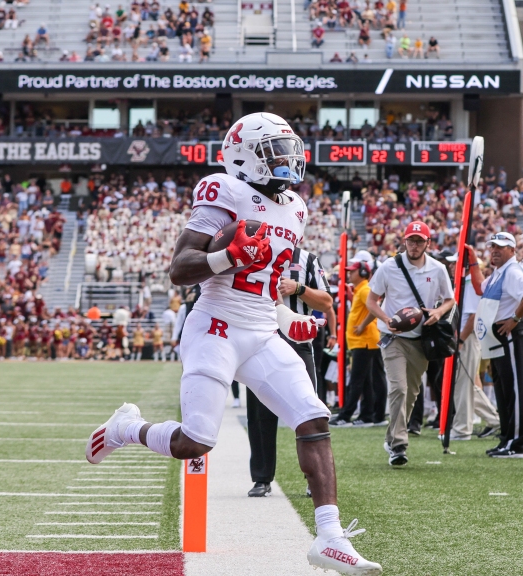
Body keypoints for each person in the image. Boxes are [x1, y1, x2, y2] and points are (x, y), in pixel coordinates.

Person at [84, 113, 382, 575]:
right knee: (195, 441)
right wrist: (227, 255)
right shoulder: (224, 189)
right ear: (244, 156)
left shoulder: (297, 208)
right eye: (274, 152)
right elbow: (181, 268)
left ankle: (330, 536)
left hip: (262, 328)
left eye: (288, 150)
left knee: (314, 416)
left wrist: (288, 315)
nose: (287, 160)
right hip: (216, 324)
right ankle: (127, 429)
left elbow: (267, 279)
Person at [365, 221, 455, 466]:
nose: (414, 245)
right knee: (399, 389)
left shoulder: (437, 269)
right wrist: (386, 319)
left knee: (411, 393)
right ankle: (398, 446)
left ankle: (391, 435)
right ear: (404, 241)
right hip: (392, 336)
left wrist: (438, 313)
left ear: (428, 243)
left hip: (420, 338)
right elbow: (371, 301)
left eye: (419, 241)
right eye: (411, 240)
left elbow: (449, 299)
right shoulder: (389, 266)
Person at [247, 246, 332, 498]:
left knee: (308, 412)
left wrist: (299, 289)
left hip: (297, 343)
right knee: (259, 415)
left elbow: (327, 302)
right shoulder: (254, 253)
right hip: (261, 343)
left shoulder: (308, 260)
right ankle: (261, 478)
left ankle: (313, 477)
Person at [474, 232, 523, 458]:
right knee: (503, 390)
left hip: (511, 334)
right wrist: (472, 261)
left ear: (512, 250)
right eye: (492, 246)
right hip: (499, 336)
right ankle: (507, 438)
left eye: (500, 247)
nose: (494, 250)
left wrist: (515, 318)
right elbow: (480, 288)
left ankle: (517, 443)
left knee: (515, 389)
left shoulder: (511, 271)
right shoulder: (498, 273)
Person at [449, 248, 500, 440]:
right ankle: (496, 420)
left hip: (467, 338)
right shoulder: (464, 283)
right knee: (467, 384)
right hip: (465, 337)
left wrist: (461, 339)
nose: (451, 266)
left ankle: (462, 429)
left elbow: (472, 315)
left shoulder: (469, 284)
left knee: (463, 384)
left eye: (455, 263)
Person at [331, 252, 386, 427]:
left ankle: (345, 416)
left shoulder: (364, 289)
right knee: (366, 381)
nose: (349, 274)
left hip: (366, 341)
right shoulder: (360, 290)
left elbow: (375, 305)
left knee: (357, 380)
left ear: (362, 273)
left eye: (352, 271)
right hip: (363, 341)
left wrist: (362, 325)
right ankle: (367, 415)